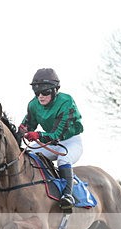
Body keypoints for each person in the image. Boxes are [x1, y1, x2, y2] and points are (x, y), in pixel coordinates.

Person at [18, 68, 84, 210]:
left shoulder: (66, 102)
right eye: (37, 92)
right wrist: (19, 132)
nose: (40, 96)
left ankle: (68, 195)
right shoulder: (33, 104)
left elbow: (57, 134)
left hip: (70, 141)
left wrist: (38, 135)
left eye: (45, 92)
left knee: (63, 160)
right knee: (29, 155)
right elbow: (27, 125)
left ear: (55, 90)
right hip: (50, 143)